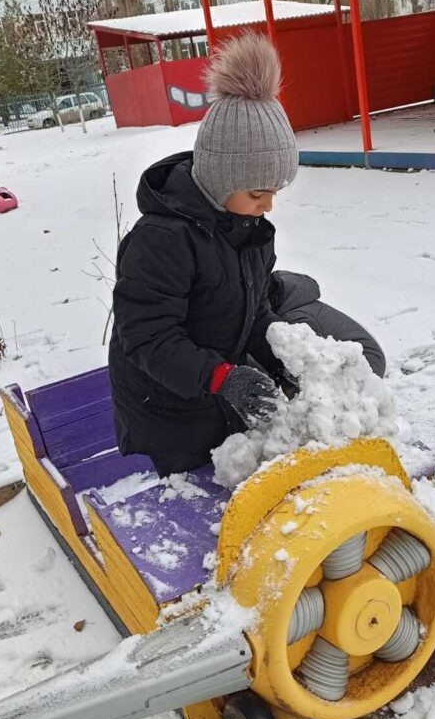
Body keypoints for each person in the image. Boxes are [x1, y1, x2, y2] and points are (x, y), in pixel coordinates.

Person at [108, 32, 385, 478]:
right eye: (258, 193)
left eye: (274, 192)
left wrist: (280, 356)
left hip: (218, 393)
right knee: (209, 494)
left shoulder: (247, 231)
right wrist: (221, 377)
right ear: (220, 179)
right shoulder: (160, 241)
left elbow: (252, 311)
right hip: (166, 411)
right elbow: (148, 338)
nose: (268, 205)